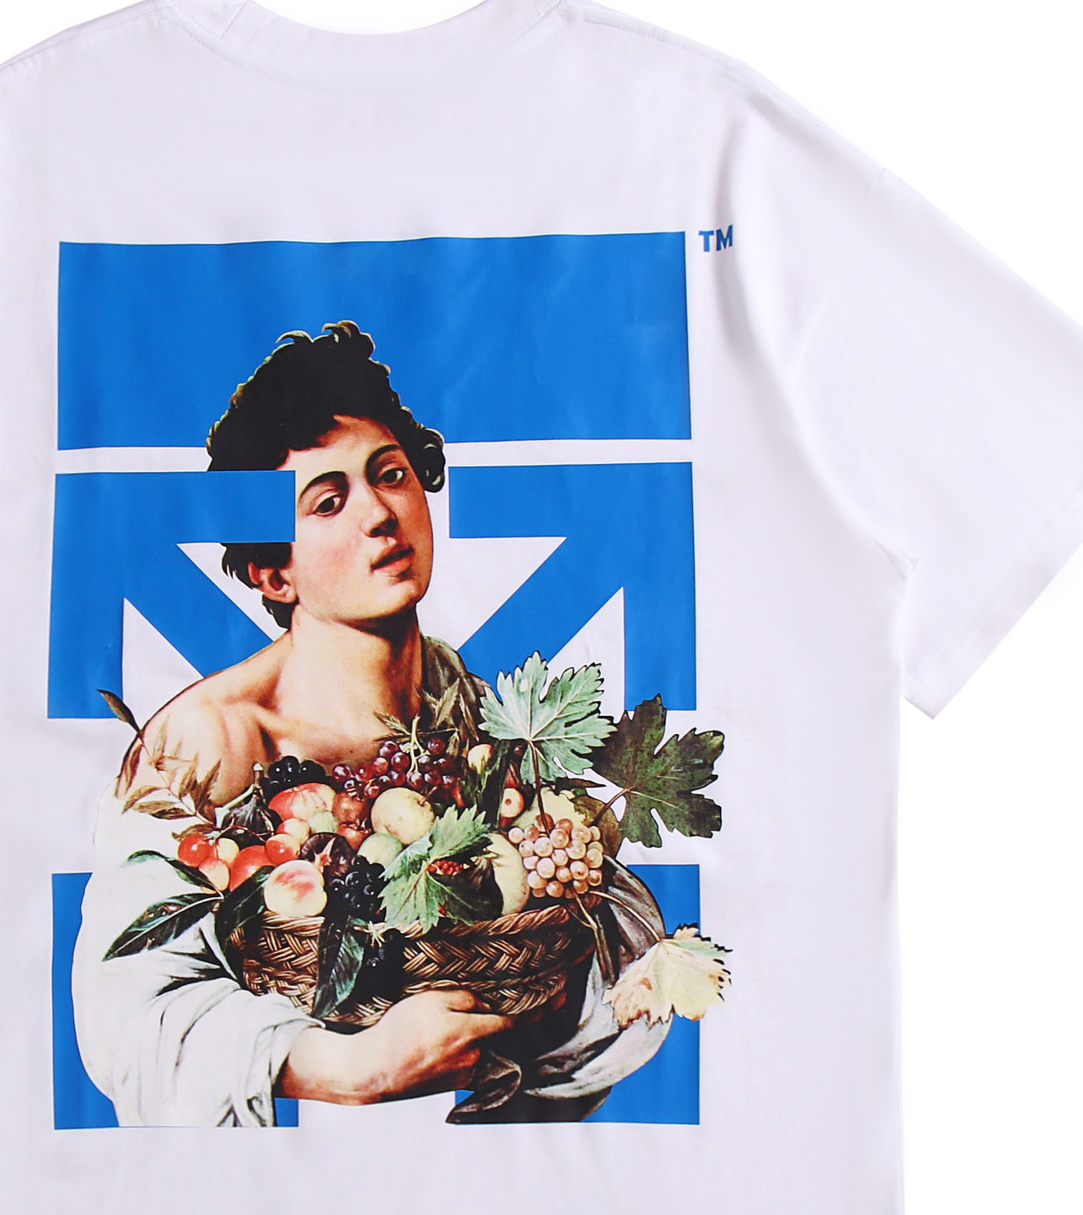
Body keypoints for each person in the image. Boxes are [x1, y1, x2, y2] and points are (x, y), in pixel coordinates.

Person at [71, 323, 666, 1125]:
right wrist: (352, 1068)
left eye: (390, 475)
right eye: (328, 502)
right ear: (271, 571)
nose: (380, 514)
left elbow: (588, 916)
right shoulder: (205, 744)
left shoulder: (464, 702)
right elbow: (123, 1015)